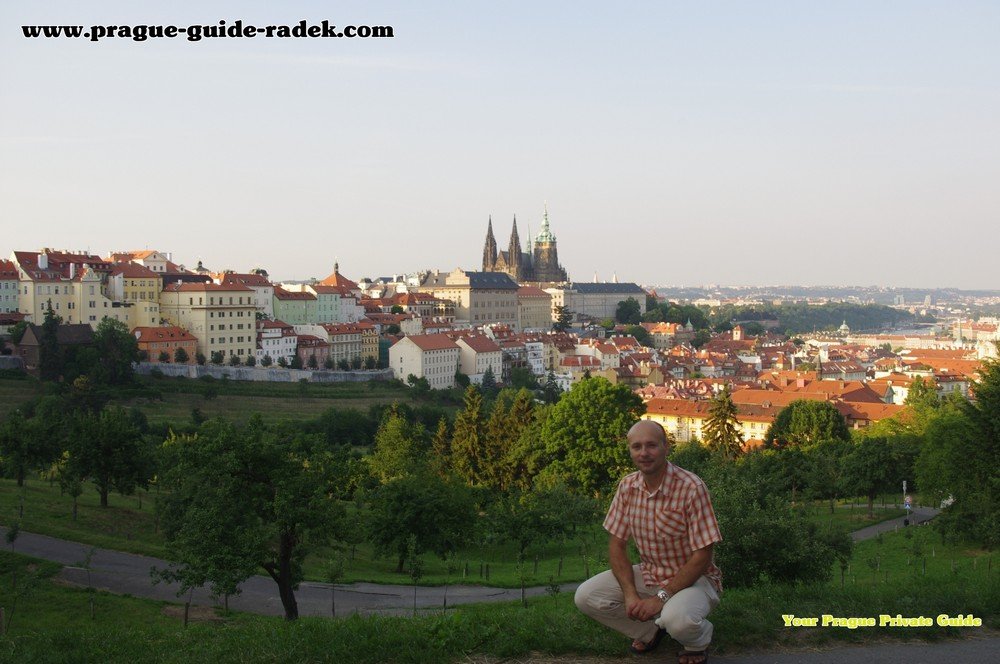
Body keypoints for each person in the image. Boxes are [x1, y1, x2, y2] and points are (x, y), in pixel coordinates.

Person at [575, 420, 723, 664]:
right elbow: (617, 544)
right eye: (637, 447)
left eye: (651, 445)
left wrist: (660, 599)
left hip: (696, 580)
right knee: (586, 596)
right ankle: (651, 631)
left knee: (680, 620)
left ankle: (696, 643)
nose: (644, 453)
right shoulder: (627, 486)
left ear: (666, 447)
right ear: (630, 451)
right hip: (650, 573)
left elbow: (703, 555)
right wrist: (631, 594)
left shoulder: (691, 488)